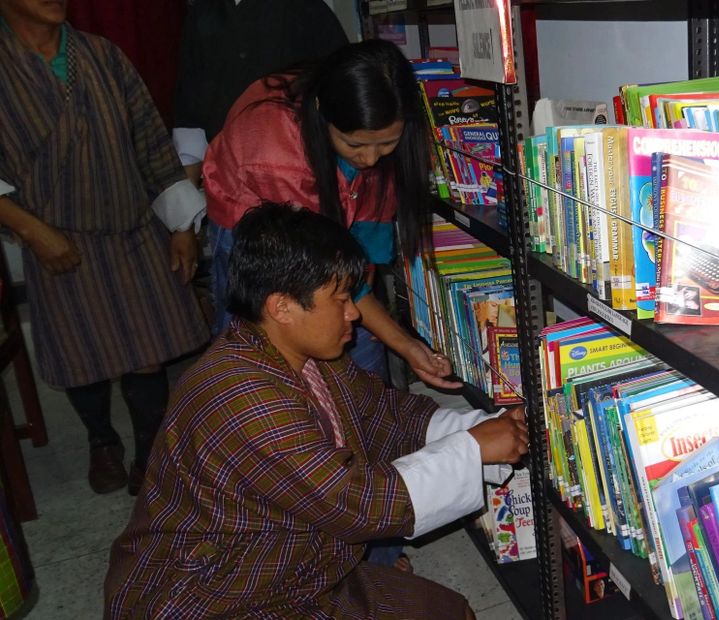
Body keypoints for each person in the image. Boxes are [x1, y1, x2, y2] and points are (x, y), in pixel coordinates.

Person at [104, 203, 529, 619]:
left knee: (451, 612)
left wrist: (482, 427)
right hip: (216, 593)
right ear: (281, 307)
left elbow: (384, 414)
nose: (355, 312)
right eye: (341, 298)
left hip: (293, 568)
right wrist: (472, 448)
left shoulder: (306, 356)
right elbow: (356, 502)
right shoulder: (240, 394)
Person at [0, 0, 208, 495]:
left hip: (132, 228)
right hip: (54, 236)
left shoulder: (102, 56)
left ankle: (149, 454)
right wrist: (32, 231)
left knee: (149, 350)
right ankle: (101, 442)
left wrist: (181, 226)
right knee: (80, 355)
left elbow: (152, 144)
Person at [203, 39, 451, 391]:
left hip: (313, 222)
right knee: (267, 356)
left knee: (360, 363)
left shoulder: (383, 145)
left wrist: (407, 346)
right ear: (322, 113)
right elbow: (319, 273)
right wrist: (398, 340)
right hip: (252, 218)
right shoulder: (276, 156)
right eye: (355, 145)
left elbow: (357, 270)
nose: (370, 159)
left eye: (386, 144)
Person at [171, 0, 349, 185]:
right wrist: (187, 197)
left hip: (298, 174)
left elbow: (343, 92)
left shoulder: (306, 9)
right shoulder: (204, 12)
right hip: (229, 175)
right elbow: (190, 113)